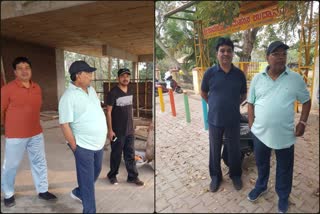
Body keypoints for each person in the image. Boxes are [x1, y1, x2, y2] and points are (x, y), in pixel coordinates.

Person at [247, 41, 311, 213]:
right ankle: (261, 186)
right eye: (276, 54)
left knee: (284, 167)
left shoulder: (295, 78)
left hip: (284, 135)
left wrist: (303, 122)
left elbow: (306, 101)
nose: (281, 57)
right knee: (262, 164)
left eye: (283, 54)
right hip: (260, 133)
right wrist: (252, 124)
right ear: (267, 57)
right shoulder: (257, 78)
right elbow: (251, 103)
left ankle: (283, 196)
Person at [1, 57, 57, 207]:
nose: (24, 71)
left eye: (27, 67)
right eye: (20, 68)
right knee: (11, 165)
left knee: (39, 162)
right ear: (15, 72)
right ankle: (8, 193)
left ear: (31, 70)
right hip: (15, 135)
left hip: (35, 133)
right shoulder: (7, 89)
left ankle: (42, 190)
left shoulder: (36, 87)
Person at [59, 60, 107, 213]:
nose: (91, 76)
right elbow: (64, 124)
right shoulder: (68, 97)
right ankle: (89, 210)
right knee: (87, 182)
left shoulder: (91, 90)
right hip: (83, 145)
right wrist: (75, 146)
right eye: (88, 73)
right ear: (78, 76)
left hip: (98, 144)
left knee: (97, 170)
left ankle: (78, 192)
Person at [201, 37, 247, 192]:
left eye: (229, 51)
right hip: (214, 119)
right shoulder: (210, 73)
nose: (225, 53)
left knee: (234, 148)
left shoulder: (239, 74)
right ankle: (215, 176)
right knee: (214, 149)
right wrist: (213, 104)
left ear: (232, 54)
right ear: (217, 54)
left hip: (233, 119)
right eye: (222, 51)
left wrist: (233, 105)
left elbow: (243, 95)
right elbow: (203, 92)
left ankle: (235, 175)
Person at [106, 68, 144, 186]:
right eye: (123, 76)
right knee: (116, 154)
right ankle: (112, 175)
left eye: (127, 76)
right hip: (117, 131)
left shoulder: (130, 90)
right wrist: (110, 130)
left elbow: (129, 110)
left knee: (130, 154)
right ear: (118, 78)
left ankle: (132, 177)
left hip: (129, 130)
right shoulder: (113, 93)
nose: (125, 78)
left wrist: (132, 126)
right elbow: (108, 112)